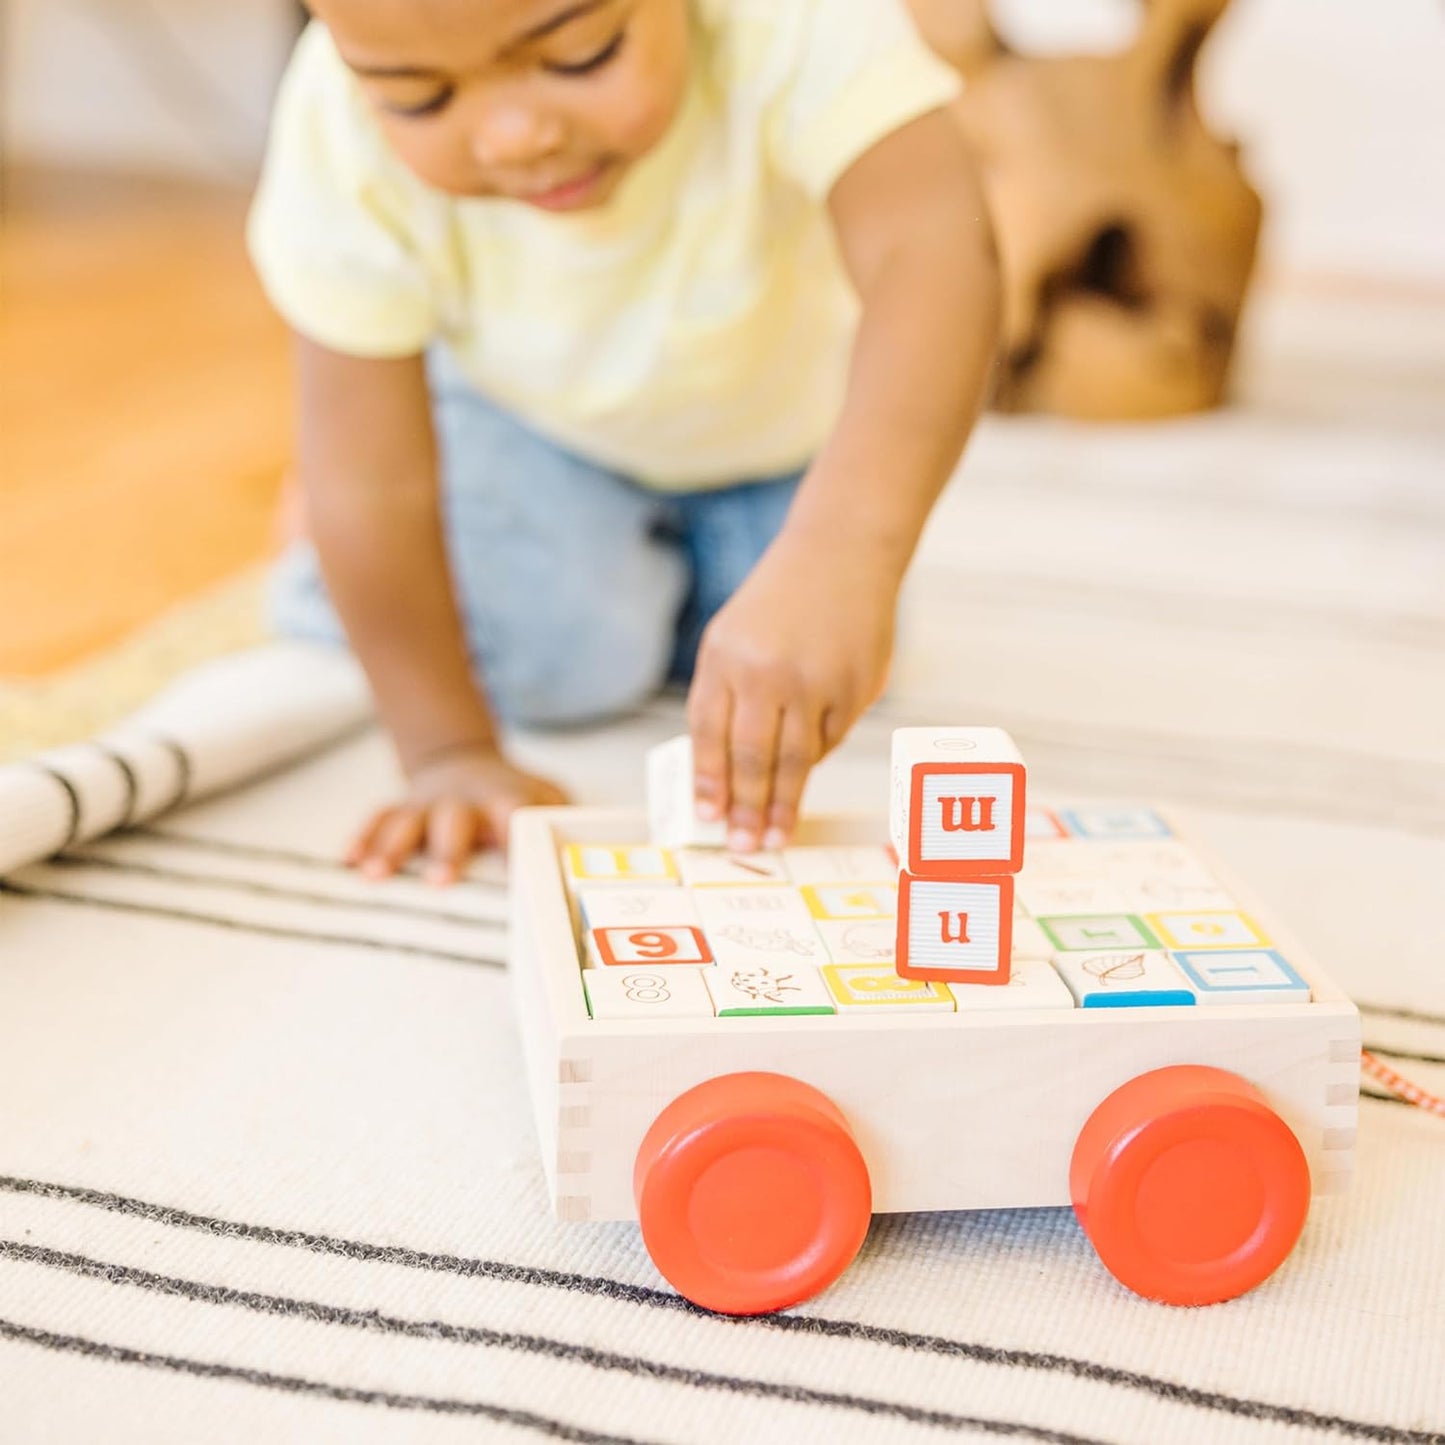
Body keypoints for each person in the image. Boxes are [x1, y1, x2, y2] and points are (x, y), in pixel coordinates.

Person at [249, 0, 999, 884]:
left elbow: (937, 250)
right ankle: (318, 573)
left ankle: (656, 569)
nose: (515, 135)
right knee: (570, 660)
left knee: (814, 659)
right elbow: (370, 481)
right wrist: (446, 749)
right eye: (418, 100)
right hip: (531, 427)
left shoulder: (796, 22)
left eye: (579, 55)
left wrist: (845, 551)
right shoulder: (333, 119)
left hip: (766, 445)